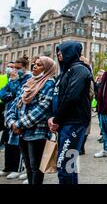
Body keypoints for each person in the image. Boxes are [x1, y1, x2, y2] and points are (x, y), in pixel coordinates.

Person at [6, 56, 57, 184]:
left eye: (39, 65)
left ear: (47, 69)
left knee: (36, 168)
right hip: (22, 132)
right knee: (28, 166)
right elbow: (15, 104)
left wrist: (19, 124)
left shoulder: (49, 84)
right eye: (34, 64)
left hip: (37, 133)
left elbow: (42, 109)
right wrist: (12, 122)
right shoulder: (29, 82)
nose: (34, 66)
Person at [48, 41, 92, 184]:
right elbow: (58, 97)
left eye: (62, 51)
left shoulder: (80, 69)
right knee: (69, 165)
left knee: (64, 165)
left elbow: (71, 97)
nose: (58, 54)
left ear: (70, 52)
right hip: (65, 123)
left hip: (74, 123)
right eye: (58, 51)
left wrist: (56, 120)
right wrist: (53, 117)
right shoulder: (65, 72)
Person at [0, 58, 32, 180]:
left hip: (20, 115)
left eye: (18, 68)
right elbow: (3, 93)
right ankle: (8, 167)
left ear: (25, 66)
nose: (15, 70)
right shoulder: (14, 78)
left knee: (18, 144)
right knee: (8, 142)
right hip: (10, 114)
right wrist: (10, 95)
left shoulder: (27, 78)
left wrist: (12, 87)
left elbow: (18, 93)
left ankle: (17, 168)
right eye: (14, 68)